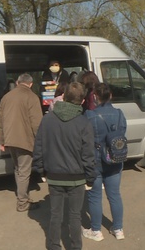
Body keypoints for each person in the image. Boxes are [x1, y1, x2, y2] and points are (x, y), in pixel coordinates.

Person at [32, 82, 96, 250]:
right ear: (82, 101)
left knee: (55, 215)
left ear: (64, 97)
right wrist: (90, 178)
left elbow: (38, 148)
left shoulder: (47, 120)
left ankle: (53, 246)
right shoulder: (84, 123)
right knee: (75, 216)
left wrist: (41, 171)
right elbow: (88, 155)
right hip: (77, 177)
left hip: (53, 175)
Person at [83, 83, 126, 241]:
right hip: (115, 159)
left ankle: (96, 231)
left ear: (95, 97)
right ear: (111, 96)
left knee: (94, 196)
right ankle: (118, 229)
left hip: (95, 160)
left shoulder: (89, 115)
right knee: (114, 195)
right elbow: (122, 134)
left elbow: (84, 139)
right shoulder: (120, 114)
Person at [0, 73, 43, 212]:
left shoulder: (6, 97)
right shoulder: (32, 97)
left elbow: (1, 122)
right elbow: (37, 123)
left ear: (18, 82)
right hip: (25, 140)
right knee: (24, 172)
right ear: (30, 84)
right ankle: (22, 202)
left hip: (10, 140)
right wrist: (40, 141)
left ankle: (23, 196)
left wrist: (2, 140)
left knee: (18, 170)